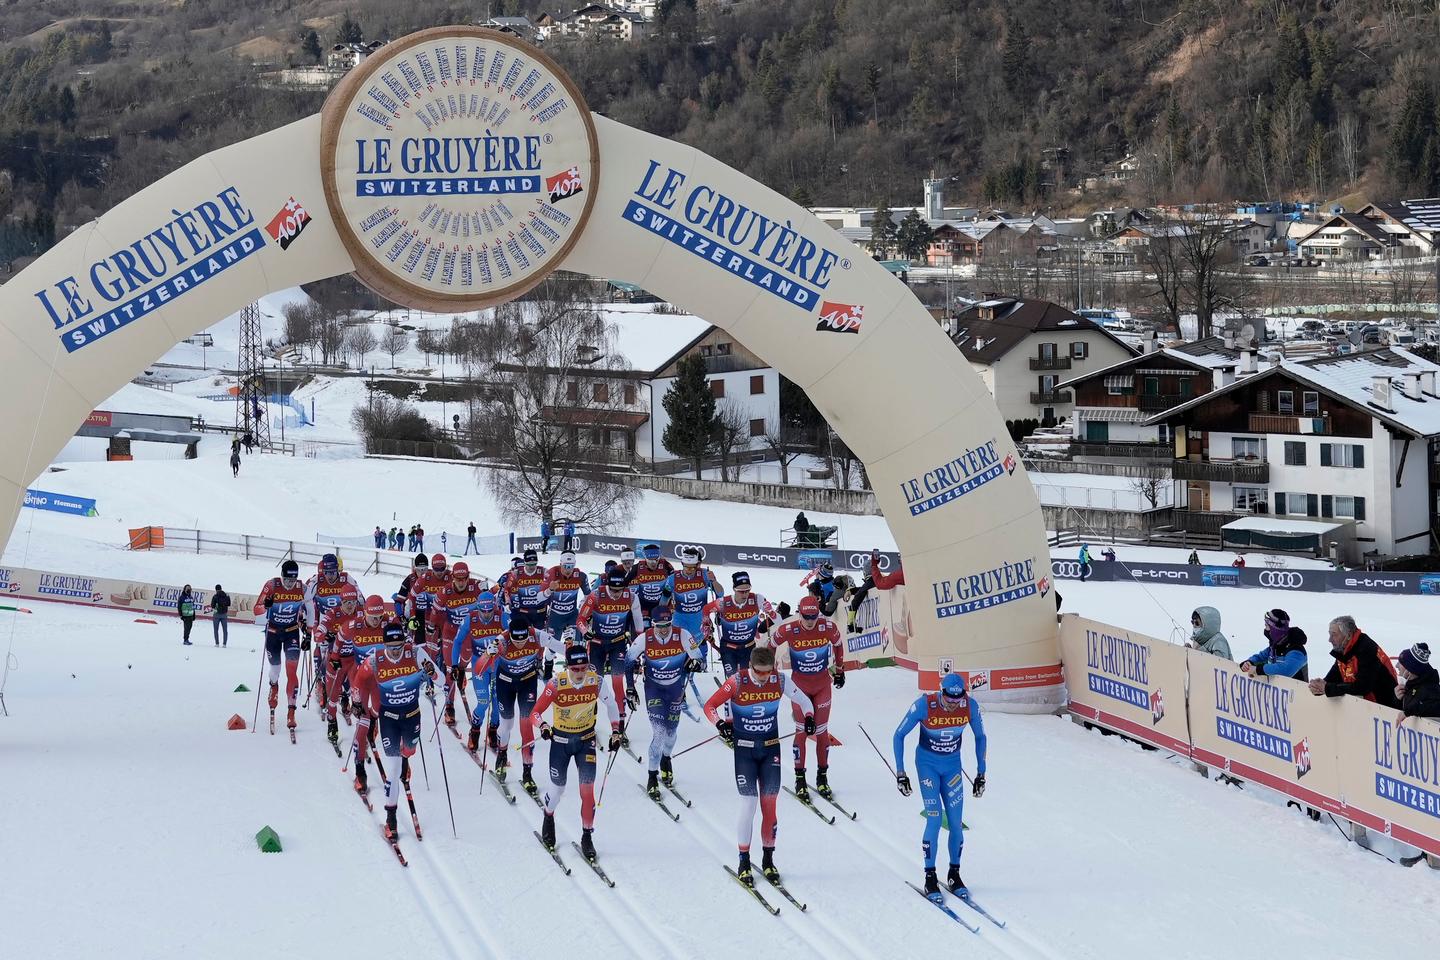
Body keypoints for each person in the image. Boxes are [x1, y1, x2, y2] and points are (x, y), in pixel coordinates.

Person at [704, 645, 815, 887]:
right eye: (759, 672)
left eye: (767, 672)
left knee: (770, 806)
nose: (763, 677)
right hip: (744, 751)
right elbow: (709, 706)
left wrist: (808, 719)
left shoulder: (780, 680)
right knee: (748, 804)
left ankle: (768, 860)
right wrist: (720, 725)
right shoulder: (737, 681)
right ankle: (744, 861)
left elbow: (805, 702)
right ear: (751, 667)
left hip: (770, 749)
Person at [893, 671, 987, 897]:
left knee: (956, 823)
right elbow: (898, 735)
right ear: (941, 692)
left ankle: (954, 874)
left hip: (952, 768)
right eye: (949, 699)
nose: (954, 705)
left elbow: (980, 737)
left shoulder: (970, 706)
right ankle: (930, 876)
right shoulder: (924, 705)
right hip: (927, 766)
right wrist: (901, 773)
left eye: (958, 699)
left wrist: (981, 773)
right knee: (934, 818)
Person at [530, 644, 622, 861]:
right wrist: (543, 726)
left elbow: (612, 706)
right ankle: (548, 815)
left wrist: (616, 731)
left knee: (587, 792)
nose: (580, 673)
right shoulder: (556, 684)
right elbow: (535, 712)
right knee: (557, 790)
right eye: (575, 669)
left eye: (583, 668)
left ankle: (587, 836)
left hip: (586, 741)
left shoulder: (596, 681)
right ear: (567, 667)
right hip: (560, 742)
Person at [353, 621, 432, 842]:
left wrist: (432, 676)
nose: (395, 650)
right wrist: (358, 702)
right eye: (391, 645)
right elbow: (359, 680)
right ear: (384, 644)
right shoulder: (375, 659)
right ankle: (391, 818)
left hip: (412, 714)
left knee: (409, 752)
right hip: (388, 717)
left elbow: (441, 679)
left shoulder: (416, 653)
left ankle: (406, 760)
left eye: (399, 644)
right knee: (393, 769)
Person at [475, 614, 565, 795]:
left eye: (523, 640)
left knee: (526, 725)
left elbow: (563, 648)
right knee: (506, 723)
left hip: (527, 682)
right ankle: (501, 755)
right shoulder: (501, 640)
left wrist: (576, 651)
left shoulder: (537, 635)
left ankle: (527, 773)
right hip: (505, 683)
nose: (520, 644)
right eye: (516, 641)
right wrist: (487, 654)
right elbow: (478, 670)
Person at [770, 595, 846, 801]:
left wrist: (840, 670)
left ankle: (822, 777)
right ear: (799, 613)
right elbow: (771, 644)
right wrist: (769, 670)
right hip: (799, 686)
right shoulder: (790, 629)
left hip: (822, 685)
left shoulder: (827, 627)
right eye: (806, 616)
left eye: (813, 616)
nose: (810, 621)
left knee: (821, 731)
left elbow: (839, 645)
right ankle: (800, 779)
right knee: (802, 731)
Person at [625, 603, 703, 798]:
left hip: (676, 688)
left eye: (667, 624)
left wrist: (695, 663)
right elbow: (627, 661)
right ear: (652, 624)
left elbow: (699, 659)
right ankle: (652, 777)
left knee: (671, 731)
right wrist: (630, 688)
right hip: (654, 689)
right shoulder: (644, 638)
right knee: (659, 732)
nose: (663, 629)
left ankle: (666, 759)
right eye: (659, 625)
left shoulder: (683, 635)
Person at [576, 569, 645, 743]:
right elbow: (580, 620)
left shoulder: (630, 596)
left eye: (619, 590)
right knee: (594, 683)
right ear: (607, 586)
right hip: (597, 644)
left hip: (618, 643)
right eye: (613, 590)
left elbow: (638, 622)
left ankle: (620, 725)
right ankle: (588, 722)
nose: (616, 594)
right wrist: (585, 633)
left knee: (617, 683)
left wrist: (639, 642)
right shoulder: (596, 595)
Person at [705, 573, 777, 700]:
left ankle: (746, 697)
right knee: (732, 676)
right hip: (728, 648)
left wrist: (771, 612)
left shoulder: (757, 599)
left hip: (748, 647)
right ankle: (733, 697)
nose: (745, 594)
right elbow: (705, 610)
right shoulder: (723, 603)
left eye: (747, 590)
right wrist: (706, 624)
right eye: (741, 591)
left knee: (747, 677)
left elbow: (778, 620)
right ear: (734, 589)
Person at [428, 559, 482, 727]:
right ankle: (449, 705)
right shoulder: (445, 591)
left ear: (468, 577)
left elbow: (491, 598)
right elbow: (435, 611)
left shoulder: (476, 587)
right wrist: (431, 626)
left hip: (467, 633)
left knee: (463, 663)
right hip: (450, 632)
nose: (461, 582)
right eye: (458, 579)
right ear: (452, 578)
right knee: (451, 667)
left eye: (464, 578)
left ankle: (462, 674)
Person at [256, 560, 308, 731]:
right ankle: (273, 685)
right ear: (282, 576)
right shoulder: (271, 585)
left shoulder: (302, 588)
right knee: (276, 669)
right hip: (272, 632)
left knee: (291, 671)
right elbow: (256, 609)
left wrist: (309, 630)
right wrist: (266, 606)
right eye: (287, 580)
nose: (289, 584)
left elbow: (311, 608)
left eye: (293, 580)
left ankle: (291, 713)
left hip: (292, 632)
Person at [454, 590, 507, 754]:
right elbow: (457, 641)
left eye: (489, 611)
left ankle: (493, 731)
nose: (486, 615)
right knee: (484, 702)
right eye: (482, 611)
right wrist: (455, 666)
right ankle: (475, 730)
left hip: (498, 664)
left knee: (498, 703)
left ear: (494, 607)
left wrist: (503, 648)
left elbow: (514, 637)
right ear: (478, 608)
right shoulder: (471, 618)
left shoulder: (502, 616)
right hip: (480, 665)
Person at [1308, 615, 1401, 707]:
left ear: (1348, 635)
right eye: (1329, 634)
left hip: (1385, 708)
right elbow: (1334, 677)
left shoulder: (1366, 649)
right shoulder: (1344, 649)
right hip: (1365, 706)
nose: (1330, 639)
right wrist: (1319, 686)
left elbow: (1362, 687)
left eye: (1334, 634)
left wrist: (1327, 688)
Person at [663, 546, 724, 668]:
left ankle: (701, 665)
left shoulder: (705, 575)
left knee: (699, 641)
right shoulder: (673, 578)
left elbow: (720, 593)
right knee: (679, 643)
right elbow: (664, 597)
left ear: (698, 565)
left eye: (692, 567)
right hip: (680, 617)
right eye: (686, 566)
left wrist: (714, 581)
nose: (689, 570)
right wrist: (662, 612)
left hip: (699, 617)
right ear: (682, 564)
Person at [544, 552, 591, 665]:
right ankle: (548, 669)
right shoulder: (552, 573)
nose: (568, 569)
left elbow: (589, 597)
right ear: (560, 564)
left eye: (571, 566)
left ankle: (574, 666)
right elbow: (541, 594)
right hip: (555, 617)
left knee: (574, 644)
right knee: (551, 648)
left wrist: (586, 612)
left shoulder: (581, 576)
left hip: (571, 615)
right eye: (565, 566)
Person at [1240, 609, 1308, 679]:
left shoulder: (1296, 650)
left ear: (1275, 630)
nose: (1265, 629)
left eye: (1267, 626)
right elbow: (1261, 657)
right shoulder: (1276, 646)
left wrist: (1258, 669)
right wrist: (1249, 663)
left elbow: (1287, 670)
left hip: (1296, 689)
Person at [1396, 643, 1440, 719]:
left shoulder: (1430, 689)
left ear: (1410, 670)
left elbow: (1434, 707)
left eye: (1401, 663)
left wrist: (1408, 712)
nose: (1396, 665)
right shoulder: (1410, 684)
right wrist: (1398, 699)